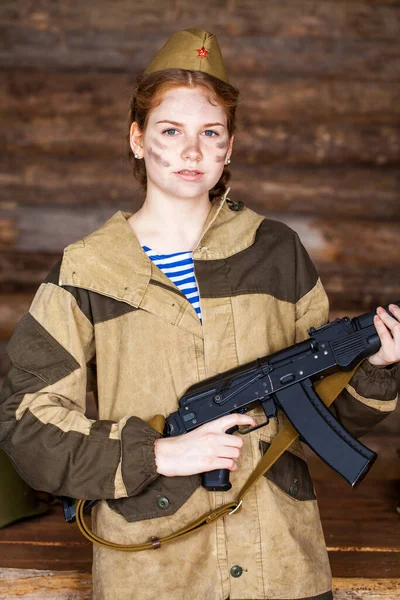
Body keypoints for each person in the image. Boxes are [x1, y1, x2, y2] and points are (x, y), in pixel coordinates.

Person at [0, 28, 399, 600]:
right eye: (170, 130)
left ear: (229, 146)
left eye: (210, 132)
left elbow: (324, 426)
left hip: (281, 567)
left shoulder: (277, 251)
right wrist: (159, 451)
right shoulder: (86, 270)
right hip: (155, 572)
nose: (192, 152)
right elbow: (26, 421)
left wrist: (378, 364)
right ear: (137, 139)